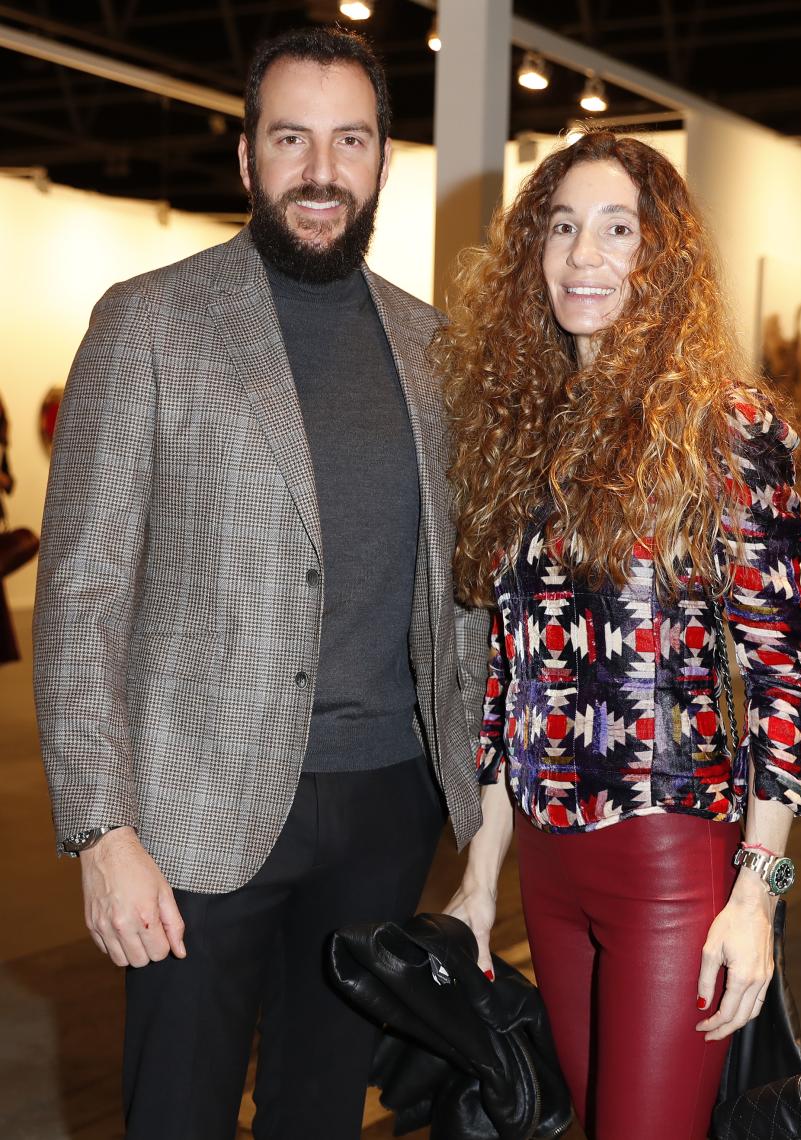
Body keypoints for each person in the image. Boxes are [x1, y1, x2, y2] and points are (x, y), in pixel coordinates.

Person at [33, 26, 489, 1140]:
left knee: (322, 1111)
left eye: (350, 140)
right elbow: (79, 593)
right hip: (194, 818)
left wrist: (473, 802)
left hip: (388, 806)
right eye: (292, 139)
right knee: (178, 1111)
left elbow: (461, 597)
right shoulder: (149, 322)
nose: (321, 171)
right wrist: (102, 834)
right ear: (247, 159)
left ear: (383, 160)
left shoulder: (436, 348)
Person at [438, 131, 801, 1140]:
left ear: (663, 258)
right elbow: (510, 673)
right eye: (562, 228)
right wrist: (480, 878)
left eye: (618, 229)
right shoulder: (530, 428)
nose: (583, 255)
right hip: (550, 875)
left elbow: (782, 677)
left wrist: (758, 898)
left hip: (670, 860)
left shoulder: (727, 428)